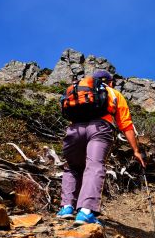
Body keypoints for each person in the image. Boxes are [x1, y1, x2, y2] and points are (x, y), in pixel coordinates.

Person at [56, 70, 145, 224]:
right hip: (100, 128)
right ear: (109, 82)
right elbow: (126, 124)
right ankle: (86, 211)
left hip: (74, 130)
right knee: (94, 165)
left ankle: (67, 207)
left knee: (71, 167)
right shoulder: (114, 93)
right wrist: (136, 150)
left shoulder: (79, 92)